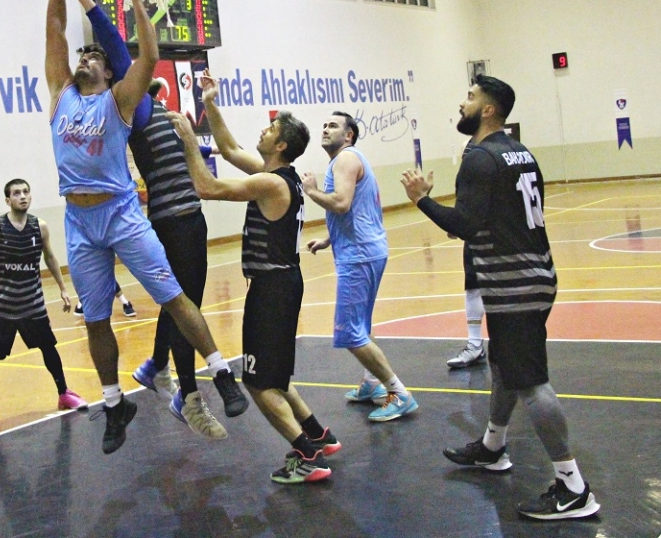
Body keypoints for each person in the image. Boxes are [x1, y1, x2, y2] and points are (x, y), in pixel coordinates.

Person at [44, 0, 247, 455]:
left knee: (173, 296)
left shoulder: (120, 100)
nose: (85, 58)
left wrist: (132, 3)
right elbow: (53, 32)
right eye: (83, 54)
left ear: (111, 72)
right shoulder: (60, 95)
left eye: (94, 56)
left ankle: (222, 374)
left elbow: (150, 56)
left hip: (121, 213)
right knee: (96, 318)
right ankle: (115, 404)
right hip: (79, 221)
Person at [399, 75, 599, 521]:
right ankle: (492, 446)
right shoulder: (519, 152)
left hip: (514, 283)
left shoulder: (479, 158)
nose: (462, 104)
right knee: (503, 363)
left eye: (470, 98)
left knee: (531, 382)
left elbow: (465, 225)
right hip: (535, 273)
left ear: (488, 110)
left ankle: (573, 487)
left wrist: (422, 200)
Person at [168, 76, 339, 484]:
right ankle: (318, 435)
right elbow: (228, 149)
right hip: (282, 282)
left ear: (281, 145)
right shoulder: (279, 174)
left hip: (272, 289)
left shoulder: (270, 182)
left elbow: (206, 187)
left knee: (259, 384)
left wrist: (188, 140)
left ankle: (307, 456)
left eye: (271, 129)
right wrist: (210, 103)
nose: (264, 130)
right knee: (274, 377)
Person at [82, 0, 226, 440]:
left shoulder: (166, 117)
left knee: (183, 302)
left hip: (188, 216)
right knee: (183, 304)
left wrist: (205, 111)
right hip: (169, 217)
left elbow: (205, 163)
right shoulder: (133, 109)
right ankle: (187, 392)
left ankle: (157, 365)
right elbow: (122, 51)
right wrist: (116, 3)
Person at [301, 112, 418, 422]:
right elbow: (356, 208)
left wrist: (311, 191)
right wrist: (329, 239)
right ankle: (371, 382)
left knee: (351, 333)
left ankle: (398, 393)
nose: (325, 129)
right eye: (324, 125)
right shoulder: (348, 160)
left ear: (349, 135)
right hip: (366, 250)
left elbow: (341, 204)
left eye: (333, 126)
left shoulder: (345, 159)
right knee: (361, 326)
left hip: (360, 255)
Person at [0, 178, 86, 428]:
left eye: (25, 192)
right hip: (0, 306)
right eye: (16, 193)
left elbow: (50, 257)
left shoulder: (39, 227)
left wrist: (63, 288)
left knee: (49, 348)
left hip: (32, 303)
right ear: (7, 200)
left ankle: (64, 393)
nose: (22, 196)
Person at [446, 137, 486, 369]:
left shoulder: (492, 163)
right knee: (472, 286)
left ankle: (508, 346)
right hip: (475, 238)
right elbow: (466, 204)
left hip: (496, 237)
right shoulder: (467, 171)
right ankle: (475, 344)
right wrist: (457, 223)